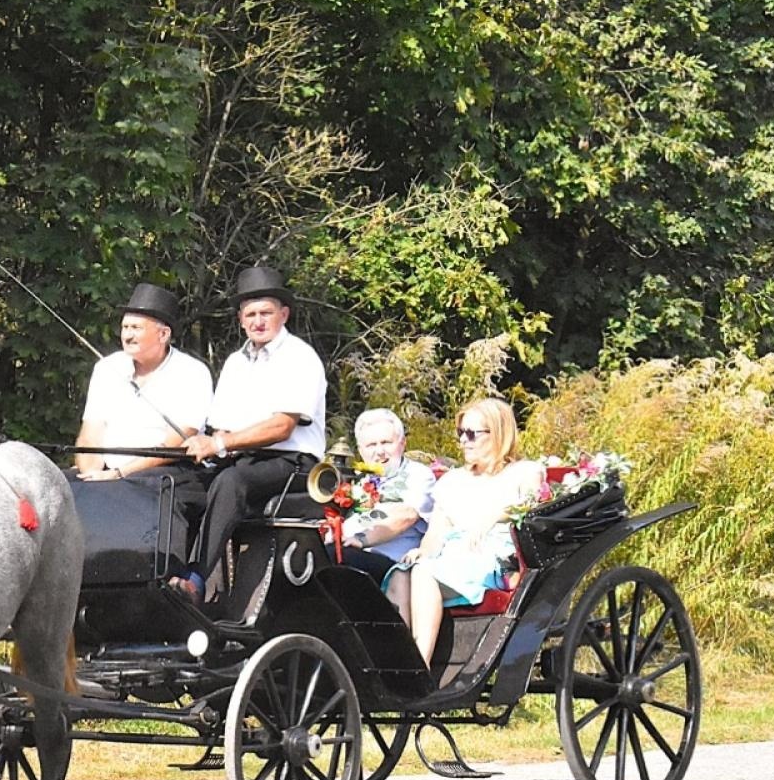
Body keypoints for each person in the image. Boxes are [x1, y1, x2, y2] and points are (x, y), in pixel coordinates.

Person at [170, 266, 326, 602]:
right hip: (244, 459)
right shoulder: (234, 363)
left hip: (294, 463)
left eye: (266, 313)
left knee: (232, 482)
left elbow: (281, 426)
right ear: (241, 319)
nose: (258, 321)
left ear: (283, 315)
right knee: (178, 483)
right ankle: (163, 575)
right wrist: (207, 446)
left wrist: (220, 443)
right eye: (250, 314)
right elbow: (221, 425)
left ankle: (195, 579)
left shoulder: (300, 357)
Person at [384, 397, 544, 664]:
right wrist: (421, 551)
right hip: (450, 557)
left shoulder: (524, 472)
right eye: (461, 433)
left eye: (472, 433)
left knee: (424, 573)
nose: (464, 440)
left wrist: (492, 517)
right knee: (402, 574)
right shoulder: (452, 480)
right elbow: (435, 534)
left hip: (490, 556)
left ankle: (418, 666)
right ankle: (397, 662)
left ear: (499, 433)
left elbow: (527, 504)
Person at [75, 283, 212, 481]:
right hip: (106, 474)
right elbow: (90, 434)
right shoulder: (106, 367)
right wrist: (91, 475)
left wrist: (119, 474)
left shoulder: (192, 372)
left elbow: (175, 443)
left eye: (136, 328)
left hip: (165, 471)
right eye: (125, 328)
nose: (127, 336)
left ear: (163, 334)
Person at [337, 408, 436, 585]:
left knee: (333, 560)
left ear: (402, 443)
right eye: (371, 445)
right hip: (348, 553)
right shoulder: (355, 478)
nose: (379, 451)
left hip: (394, 564)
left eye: (386, 442)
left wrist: (360, 540)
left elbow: (406, 516)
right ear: (360, 450)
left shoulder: (419, 474)